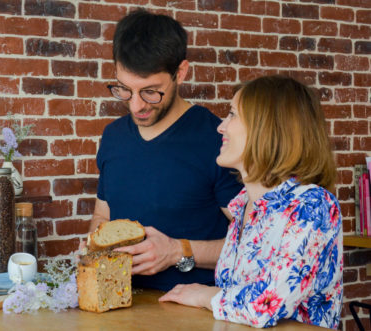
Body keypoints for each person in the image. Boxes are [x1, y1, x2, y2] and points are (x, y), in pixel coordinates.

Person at [159, 75, 343, 329]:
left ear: (268, 128)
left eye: (233, 115)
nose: (221, 127)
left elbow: (266, 305)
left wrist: (202, 294)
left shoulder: (312, 205)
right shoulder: (243, 205)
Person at [88, 9, 242, 292]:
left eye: (150, 91)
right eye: (124, 89)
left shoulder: (218, 139)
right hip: (124, 308)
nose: (136, 106)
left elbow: (257, 243)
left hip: (199, 312)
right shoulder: (113, 136)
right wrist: (94, 246)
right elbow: (103, 217)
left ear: (180, 73)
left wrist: (177, 251)